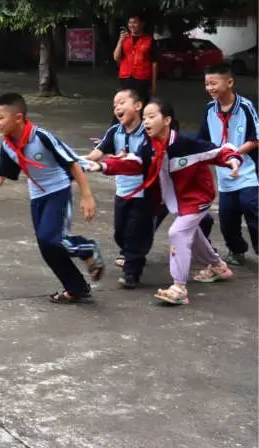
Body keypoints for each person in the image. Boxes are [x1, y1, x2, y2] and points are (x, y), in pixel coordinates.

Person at [86, 98, 241, 306]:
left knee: (177, 233)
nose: (146, 122)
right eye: (145, 118)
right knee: (192, 235)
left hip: (197, 198)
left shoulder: (186, 143)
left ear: (167, 120)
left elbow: (218, 151)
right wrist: (103, 166)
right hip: (173, 199)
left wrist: (233, 160)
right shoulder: (149, 145)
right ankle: (218, 266)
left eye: (151, 116)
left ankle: (179, 288)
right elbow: (136, 163)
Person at [0, 93, 103, 304]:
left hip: (58, 190)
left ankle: (87, 248)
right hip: (37, 196)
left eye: (0, 117)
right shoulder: (8, 145)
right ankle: (76, 288)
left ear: (18, 118)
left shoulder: (41, 137)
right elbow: (0, 176)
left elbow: (73, 163)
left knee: (52, 239)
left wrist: (86, 196)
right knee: (47, 247)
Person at [83, 89, 154, 288]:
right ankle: (132, 254)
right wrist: (78, 160)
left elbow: (143, 161)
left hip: (144, 192)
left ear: (138, 106)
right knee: (120, 232)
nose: (117, 108)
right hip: (122, 191)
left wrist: (117, 162)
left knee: (135, 231)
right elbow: (98, 153)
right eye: (115, 105)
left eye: (122, 102)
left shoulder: (148, 131)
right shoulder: (115, 131)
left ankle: (132, 272)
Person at [198, 63, 258, 265]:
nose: (209, 88)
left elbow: (256, 139)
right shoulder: (209, 109)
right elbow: (202, 140)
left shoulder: (246, 107)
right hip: (225, 176)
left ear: (230, 82)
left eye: (213, 83)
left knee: (251, 207)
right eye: (207, 84)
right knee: (227, 217)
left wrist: (233, 154)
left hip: (248, 172)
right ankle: (237, 250)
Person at [113, 16, 158, 105]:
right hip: (126, 77)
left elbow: (155, 63)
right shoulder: (124, 38)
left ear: (142, 24)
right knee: (126, 103)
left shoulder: (149, 40)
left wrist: (154, 85)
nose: (132, 25)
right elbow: (116, 57)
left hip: (142, 78)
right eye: (130, 23)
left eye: (135, 22)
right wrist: (120, 41)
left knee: (141, 103)